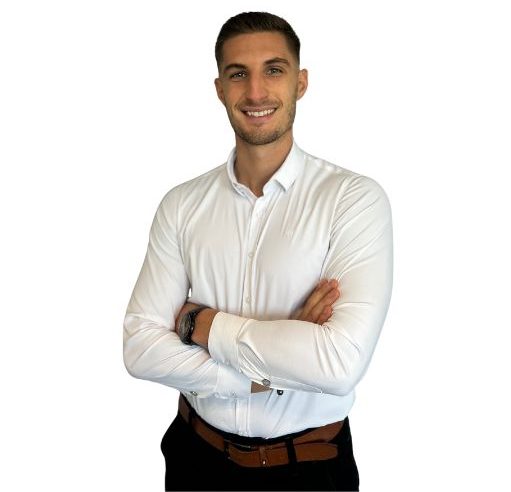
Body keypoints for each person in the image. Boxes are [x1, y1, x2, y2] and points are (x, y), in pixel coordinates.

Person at [123, 11, 393, 491]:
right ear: (219, 89)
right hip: (195, 460)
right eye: (237, 74)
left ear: (300, 82)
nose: (255, 92)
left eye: (273, 70)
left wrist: (202, 325)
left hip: (311, 470)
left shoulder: (353, 200)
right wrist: (265, 373)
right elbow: (140, 349)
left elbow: (339, 364)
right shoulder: (181, 205)